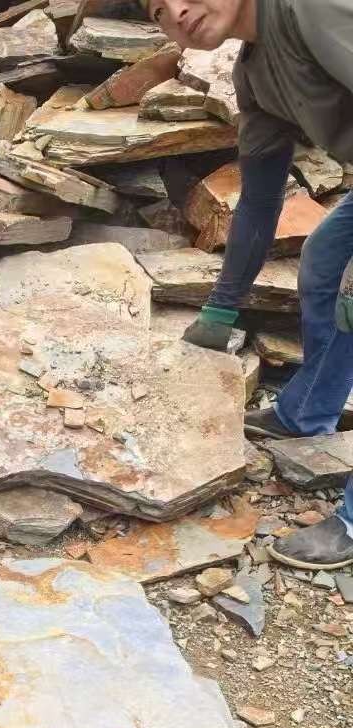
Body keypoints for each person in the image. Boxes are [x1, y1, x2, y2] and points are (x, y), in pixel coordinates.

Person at [146, 0, 353, 572]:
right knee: (325, 257)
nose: (178, 10)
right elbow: (260, 202)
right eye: (158, 11)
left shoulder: (311, 11)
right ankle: (306, 413)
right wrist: (221, 307)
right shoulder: (255, 75)